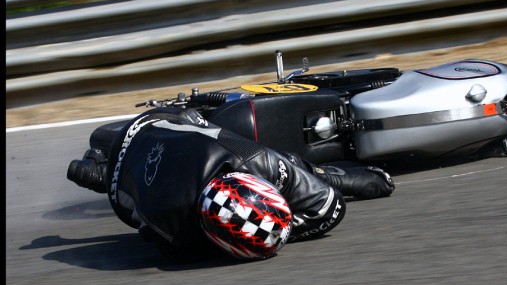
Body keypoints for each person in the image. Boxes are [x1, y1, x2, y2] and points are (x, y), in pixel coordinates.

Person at [67, 106, 394, 261]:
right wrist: (276, 231)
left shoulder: (252, 161)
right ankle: (97, 173)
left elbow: (330, 206)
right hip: (140, 145)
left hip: (144, 141)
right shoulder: (179, 239)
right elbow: (329, 208)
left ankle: (99, 172)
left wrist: (273, 226)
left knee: (288, 163)